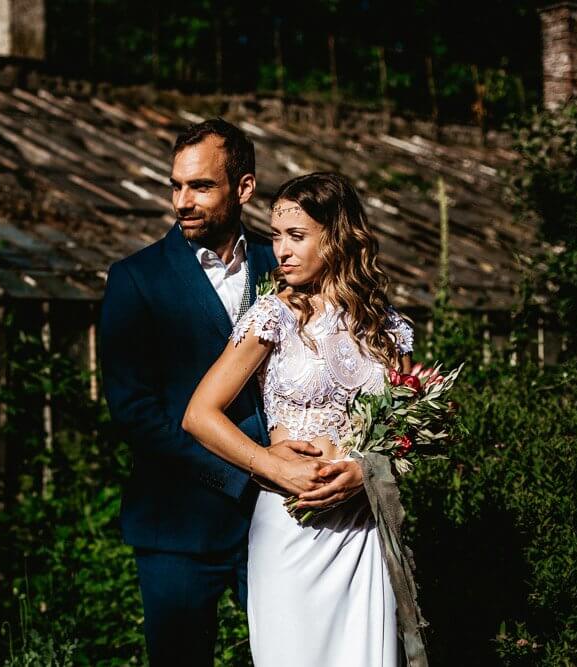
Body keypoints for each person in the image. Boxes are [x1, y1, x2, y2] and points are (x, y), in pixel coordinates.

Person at [100, 120, 349, 665]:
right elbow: (135, 413)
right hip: (179, 525)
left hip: (288, 518)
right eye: (176, 186)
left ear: (243, 188)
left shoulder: (282, 262)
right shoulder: (135, 279)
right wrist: (253, 468)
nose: (182, 201)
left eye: (201, 186)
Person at [182, 172, 418, 666]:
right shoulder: (273, 316)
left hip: (361, 530)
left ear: (336, 237)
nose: (282, 251)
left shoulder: (385, 327)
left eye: (297, 236)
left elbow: (405, 429)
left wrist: (364, 469)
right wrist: (271, 465)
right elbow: (200, 414)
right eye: (276, 237)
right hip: (290, 528)